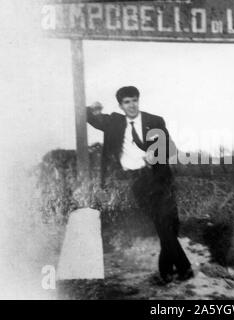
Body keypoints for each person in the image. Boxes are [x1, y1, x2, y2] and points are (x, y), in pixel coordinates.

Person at [86, 86, 193, 284]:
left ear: (139, 100)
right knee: (162, 224)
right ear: (120, 105)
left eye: (134, 100)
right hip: (138, 181)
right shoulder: (113, 122)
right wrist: (93, 108)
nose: (132, 105)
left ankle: (166, 271)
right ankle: (183, 269)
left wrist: (156, 150)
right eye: (127, 102)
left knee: (170, 225)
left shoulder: (154, 121)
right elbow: (88, 117)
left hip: (160, 177)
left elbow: (169, 147)